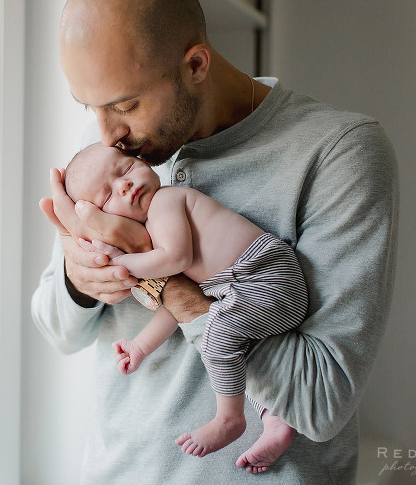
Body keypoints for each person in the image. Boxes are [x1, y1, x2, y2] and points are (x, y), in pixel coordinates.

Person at [32, 0, 399, 482]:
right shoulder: (107, 161)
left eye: (124, 105)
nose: (108, 133)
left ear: (196, 64)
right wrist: (80, 276)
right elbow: (55, 327)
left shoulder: (339, 153)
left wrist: (172, 290)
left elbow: (320, 401)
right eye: (89, 107)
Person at [64, 143, 308, 470]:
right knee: (232, 349)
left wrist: (123, 261)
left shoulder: (166, 200)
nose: (123, 185)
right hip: (243, 288)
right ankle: (274, 416)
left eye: (124, 169)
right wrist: (140, 346)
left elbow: (175, 259)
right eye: (107, 197)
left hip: (265, 274)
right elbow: (175, 307)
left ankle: (229, 419)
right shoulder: (155, 235)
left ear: (143, 162)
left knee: (217, 337)